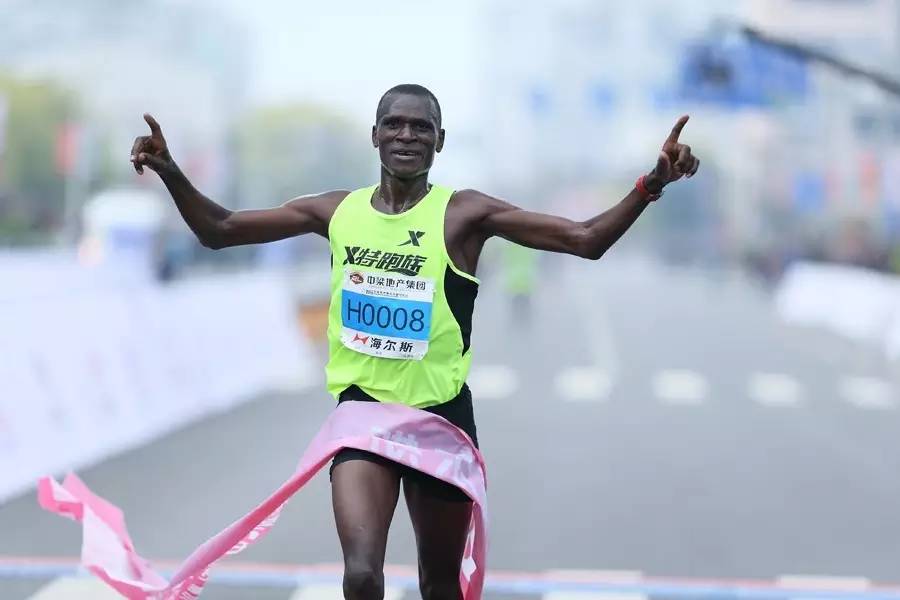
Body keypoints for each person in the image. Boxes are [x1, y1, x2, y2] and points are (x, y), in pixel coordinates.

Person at [130, 83, 699, 600]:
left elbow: (585, 239)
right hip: (362, 417)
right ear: (375, 135)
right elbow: (220, 230)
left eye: (421, 127)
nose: (407, 135)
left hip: (439, 418)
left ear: (440, 140)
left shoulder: (464, 214)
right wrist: (170, 171)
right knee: (360, 575)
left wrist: (650, 185)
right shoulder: (337, 211)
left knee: (439, 585)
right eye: (395, 124)